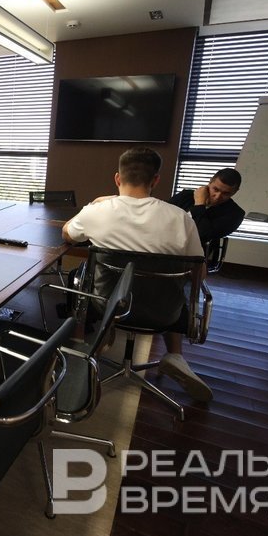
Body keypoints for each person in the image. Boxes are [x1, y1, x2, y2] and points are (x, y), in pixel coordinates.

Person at [62, 146, 213, 401]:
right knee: (173, 286)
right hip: (165, 312)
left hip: (108, 305)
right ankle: (175, 356)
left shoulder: (98, 211)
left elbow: (67, 234)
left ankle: (81, 350)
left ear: (117, 178)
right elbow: (201, 274)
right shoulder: (181, 218)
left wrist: (92, 204)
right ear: (156, 180)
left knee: (80, 275)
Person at [168, 168, 245, 245]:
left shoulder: (235, 214)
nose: (217, 196)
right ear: (210, 182)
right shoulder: (186, 195)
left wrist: (199, 203)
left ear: (235, 192)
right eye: (215, 189)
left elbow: (202, 235)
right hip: (166, 239)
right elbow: (163, 215)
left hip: (193, 249)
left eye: (226, 193)